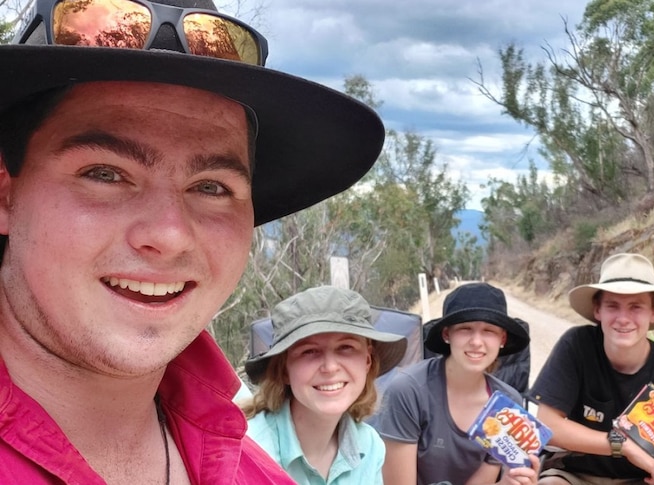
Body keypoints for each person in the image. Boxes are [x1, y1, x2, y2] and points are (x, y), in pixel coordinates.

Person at [0, 0, 384, 483]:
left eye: (211, 187)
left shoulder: (258, 475)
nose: (170, 235)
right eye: (105, 173)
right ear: (6, 193)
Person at [529, 253, 654, 485]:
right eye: (612, 306)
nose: (623, 318)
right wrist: (623, 445)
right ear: (598, 310)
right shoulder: (577, 346)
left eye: (636, 307)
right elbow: (548, 425)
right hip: (572, 475)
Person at [373, 282, 540, 485]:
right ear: (446, 334)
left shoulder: (506, 402)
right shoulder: (409, 390)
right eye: (465, 328)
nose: (477, 341)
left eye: (489, 331)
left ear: (502, 339)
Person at [240, 286, 408, 484]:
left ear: (367, 361)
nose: (330, 367)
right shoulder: (246, 451)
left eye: (346, 347)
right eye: (309, 351)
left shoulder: (369, 446)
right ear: (284, 370)